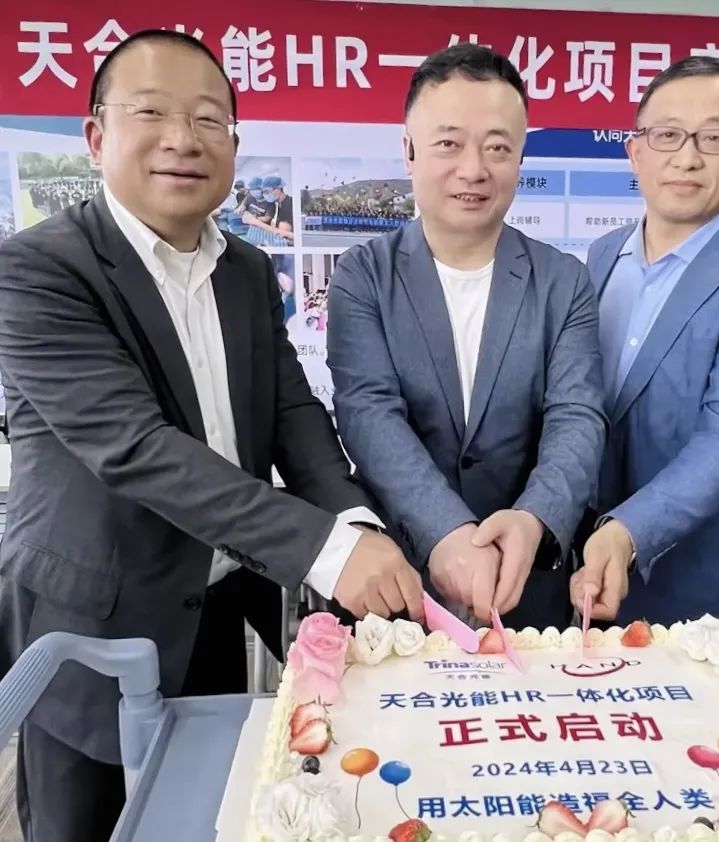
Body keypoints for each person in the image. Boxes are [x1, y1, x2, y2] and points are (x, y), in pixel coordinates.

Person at [0, 29, 423, 842]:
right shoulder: (40, 270)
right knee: (85, 826)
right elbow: (135, 448)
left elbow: (294, 415)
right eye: (151, 113)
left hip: (216, 606)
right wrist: (327, 550)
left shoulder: (247, 271)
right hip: (92, 629)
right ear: (95, 136)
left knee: (206, 814)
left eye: (207, 119)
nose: (182, 140)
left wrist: (354, 522)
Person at [327, 44, 606, 629]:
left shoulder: (563, 280)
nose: (474, 169)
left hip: (524, 580)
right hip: (399, 581)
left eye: (498, 147)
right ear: (409, 150)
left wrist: (536, 519)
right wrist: (445, 530)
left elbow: (576, 416)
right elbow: (369, 413)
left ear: (521, 157)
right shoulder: (363, 274)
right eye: (449, 143)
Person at [570, 56, 719, 634]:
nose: (687, 157)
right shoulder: (600, 256)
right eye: (667, 135)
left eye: (715, 138)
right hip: (586, 581)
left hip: (698, 599)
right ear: (635, 151)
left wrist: (627, 532)